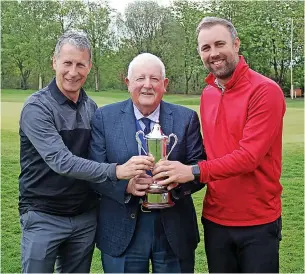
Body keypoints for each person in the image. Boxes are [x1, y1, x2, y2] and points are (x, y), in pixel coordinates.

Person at [153, 17, 286, 273]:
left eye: (219, 44)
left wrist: (191, 171)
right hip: (216, 219)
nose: (213, 53)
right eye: (206, 48)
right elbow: (212, 151)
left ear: (236, 44)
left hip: (258, 221)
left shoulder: (265, 91)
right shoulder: (209, 93)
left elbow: (249, 157)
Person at [18, 31, 153, 273]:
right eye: (67, 63)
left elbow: (100, 155)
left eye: (80, 64)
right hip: (43, 215)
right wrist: (119, 171)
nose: (73, 72)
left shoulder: (92, 108)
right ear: (54, 62)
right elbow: (61, 161)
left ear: (89, 67)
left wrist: (135, 177)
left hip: (84, 216)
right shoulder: (37, 108)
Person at [89, 52, 206, 273]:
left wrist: (178, 181)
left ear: (165, 84)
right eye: (140, 78)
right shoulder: (104, 118)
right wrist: (126, 186)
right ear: (127, 83)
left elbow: (200, 167)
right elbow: (95, 172)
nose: (147, 85)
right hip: (121, 229)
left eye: (154, 79)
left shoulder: (186, 118)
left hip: (174, 229)